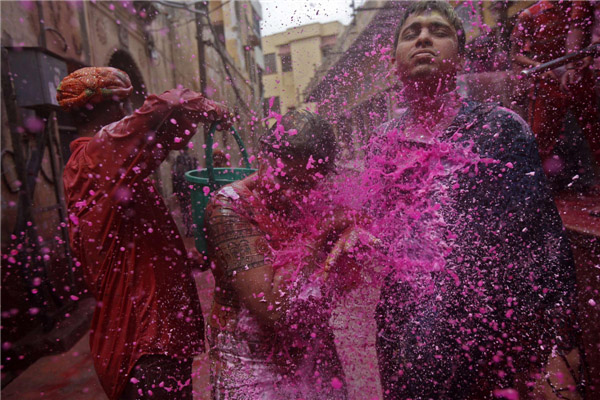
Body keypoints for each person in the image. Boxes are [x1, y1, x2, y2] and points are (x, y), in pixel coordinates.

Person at [372, 2, 579, 398]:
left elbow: (543, 240)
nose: (424, 39)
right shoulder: (383, 142)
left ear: (461, 57)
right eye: (411, 33)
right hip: (400, 326)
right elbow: (376, 230)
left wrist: (558, 350)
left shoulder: (499, 128)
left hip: (484, 331)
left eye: (438, 31)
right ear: (394, 61)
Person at [59, 67, 230, 399]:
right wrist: (209, 107)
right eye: (123, 106)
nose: (127, 113)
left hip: (153, 342)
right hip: (143, 347)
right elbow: (167, 105)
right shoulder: (94, 158)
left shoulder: (111, 170)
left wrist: (179, 257)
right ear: (109, 111)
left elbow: (164, 136)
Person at [204, 110, 362, 399]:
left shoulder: (320, 198)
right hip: (252, 360)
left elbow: (363, 221)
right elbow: (272, 307)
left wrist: (354, 228)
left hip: (314, 349)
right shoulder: (229, 207)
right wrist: (323, 231)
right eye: (283, 177)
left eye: (304, 185)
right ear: (263, 158)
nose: (290, 193)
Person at [511, 1, 600, 178]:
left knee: (595, 132)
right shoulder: (529, 15)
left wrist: (584, 59)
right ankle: (536, 184)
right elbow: (515, 54)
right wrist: (540, 66)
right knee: (540, 138)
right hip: (547, 81)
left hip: (581, 75)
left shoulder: (581, 6)